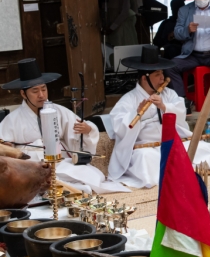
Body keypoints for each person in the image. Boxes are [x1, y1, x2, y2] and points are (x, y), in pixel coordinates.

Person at [108, 45, 210, 188]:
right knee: (146, 159)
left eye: (162, 73)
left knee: (206, 149)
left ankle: (185, 172)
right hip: (146, 147)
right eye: (157, 75)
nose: (162, 78)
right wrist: (137, 114)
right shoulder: (129, 99)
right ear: (145, 78)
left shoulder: (168, 94)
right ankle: (177, 175)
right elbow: (119, 126)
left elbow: (181, 112)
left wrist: (165, 107)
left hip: (172, 142)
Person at [0, 59, 124, 194]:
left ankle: (66, 189)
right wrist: (8, 148)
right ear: (24, 94)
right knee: (43, 179)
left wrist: (87, 130)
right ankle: (68, 190)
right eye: (35, 91)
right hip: (32, 166)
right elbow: (4, 149)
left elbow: (76, 131)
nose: (41, 95)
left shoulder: (58, 110)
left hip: (59, 162)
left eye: (43, 89)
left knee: (92, 174)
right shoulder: (11, 120)